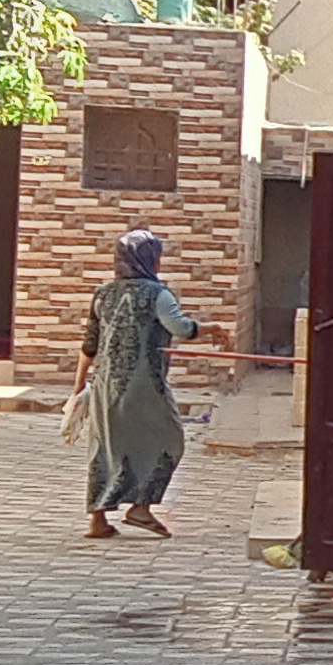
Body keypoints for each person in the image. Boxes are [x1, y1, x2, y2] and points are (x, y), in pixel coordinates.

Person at [78, 229, 199, 541]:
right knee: (170, 439)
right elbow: (181, 329)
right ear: (150, 259)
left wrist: (78, 388)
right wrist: (209, 329)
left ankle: (98, 520)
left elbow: (90, 345)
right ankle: (141, 507)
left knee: (105, 447)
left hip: (105, 385)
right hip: (145, 385)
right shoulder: (158, 294)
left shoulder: (103, 294)